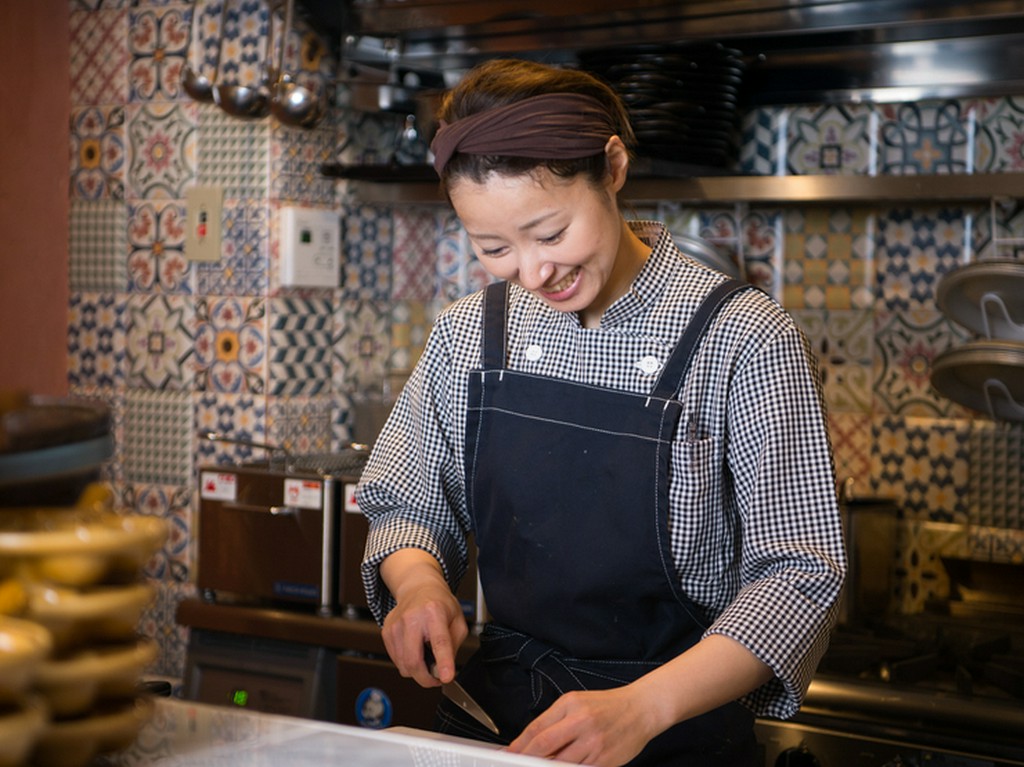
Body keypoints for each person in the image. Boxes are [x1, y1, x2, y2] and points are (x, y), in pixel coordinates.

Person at [355, 57, 846, 767]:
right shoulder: (471, 330)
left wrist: (645, 706)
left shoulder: (743, 337)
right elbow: (407, 501)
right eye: (494, 247)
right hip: (498, 730)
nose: (531, 272)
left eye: (550, 234)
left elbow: (800, 573)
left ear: (612, 168)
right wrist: (419, 585)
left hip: (676, 737)